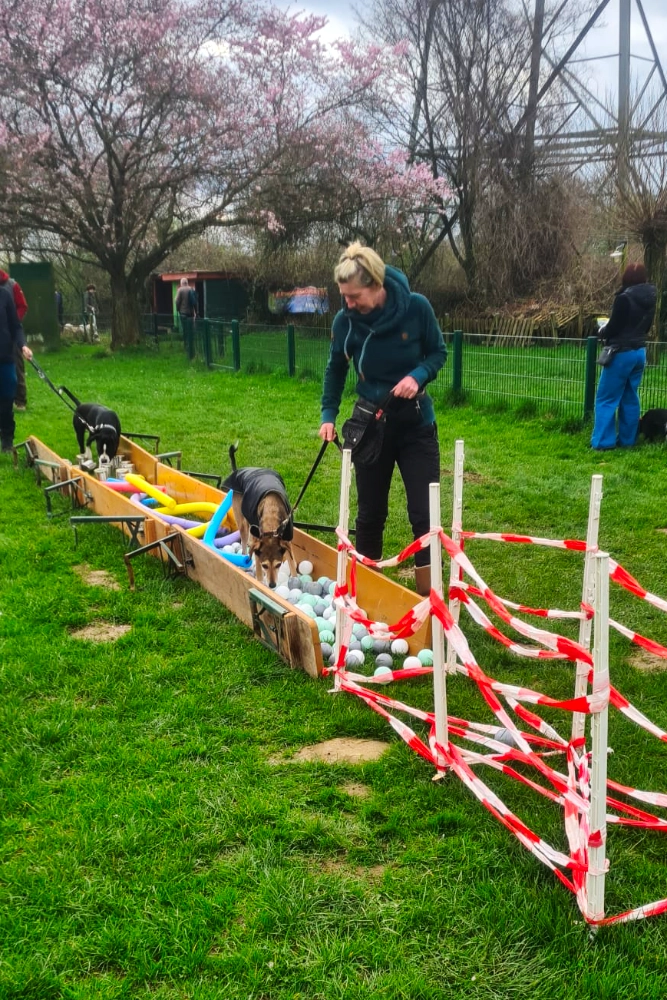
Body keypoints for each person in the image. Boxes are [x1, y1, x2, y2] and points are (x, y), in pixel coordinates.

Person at [319, 243, 446, 596]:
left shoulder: (416, 308)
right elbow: (335, 369)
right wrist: (328, 414)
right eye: (343, 296)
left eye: (354, 296)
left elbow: (438, 352)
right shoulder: (345, 321)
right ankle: (367, 595)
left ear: (376, 286)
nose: (347, 304)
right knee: (370, 514)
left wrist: (418, 375)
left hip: (416, 425)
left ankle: (429, 597)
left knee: (424, 516)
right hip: (371, 427)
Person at [591, 262, 657, 451]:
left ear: (626, 278)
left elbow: (615, 327)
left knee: (606, 398)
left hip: (621, 353)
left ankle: (603, 442)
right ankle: (628, 440)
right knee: (629, 397)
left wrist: (603, 330)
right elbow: (645, 327)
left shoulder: (624, 298)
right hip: (639, 352)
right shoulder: (651, 297)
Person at [0, 282, 32, 452]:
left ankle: (7, 438)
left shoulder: (5, 295)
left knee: (7, 397)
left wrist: (23, 345)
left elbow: (16, 326)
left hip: (5, 356)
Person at [0, 269, 28, 411]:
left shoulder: (12, 285)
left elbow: (22, 306)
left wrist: (12, 322)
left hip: (11, 334)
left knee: (17, 368)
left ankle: (20, 400)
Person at [175, 277, 197, 352]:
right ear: (187, 282)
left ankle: (186, 345)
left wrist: (178, 309)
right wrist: (195, 312)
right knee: (190, 329)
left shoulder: (180, 290)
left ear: (181, 283)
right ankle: (192, 345)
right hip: (191, 313)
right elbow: (195, 301)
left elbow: (177, 301)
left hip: (183, 313)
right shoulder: (191, 289)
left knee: (185, 330)